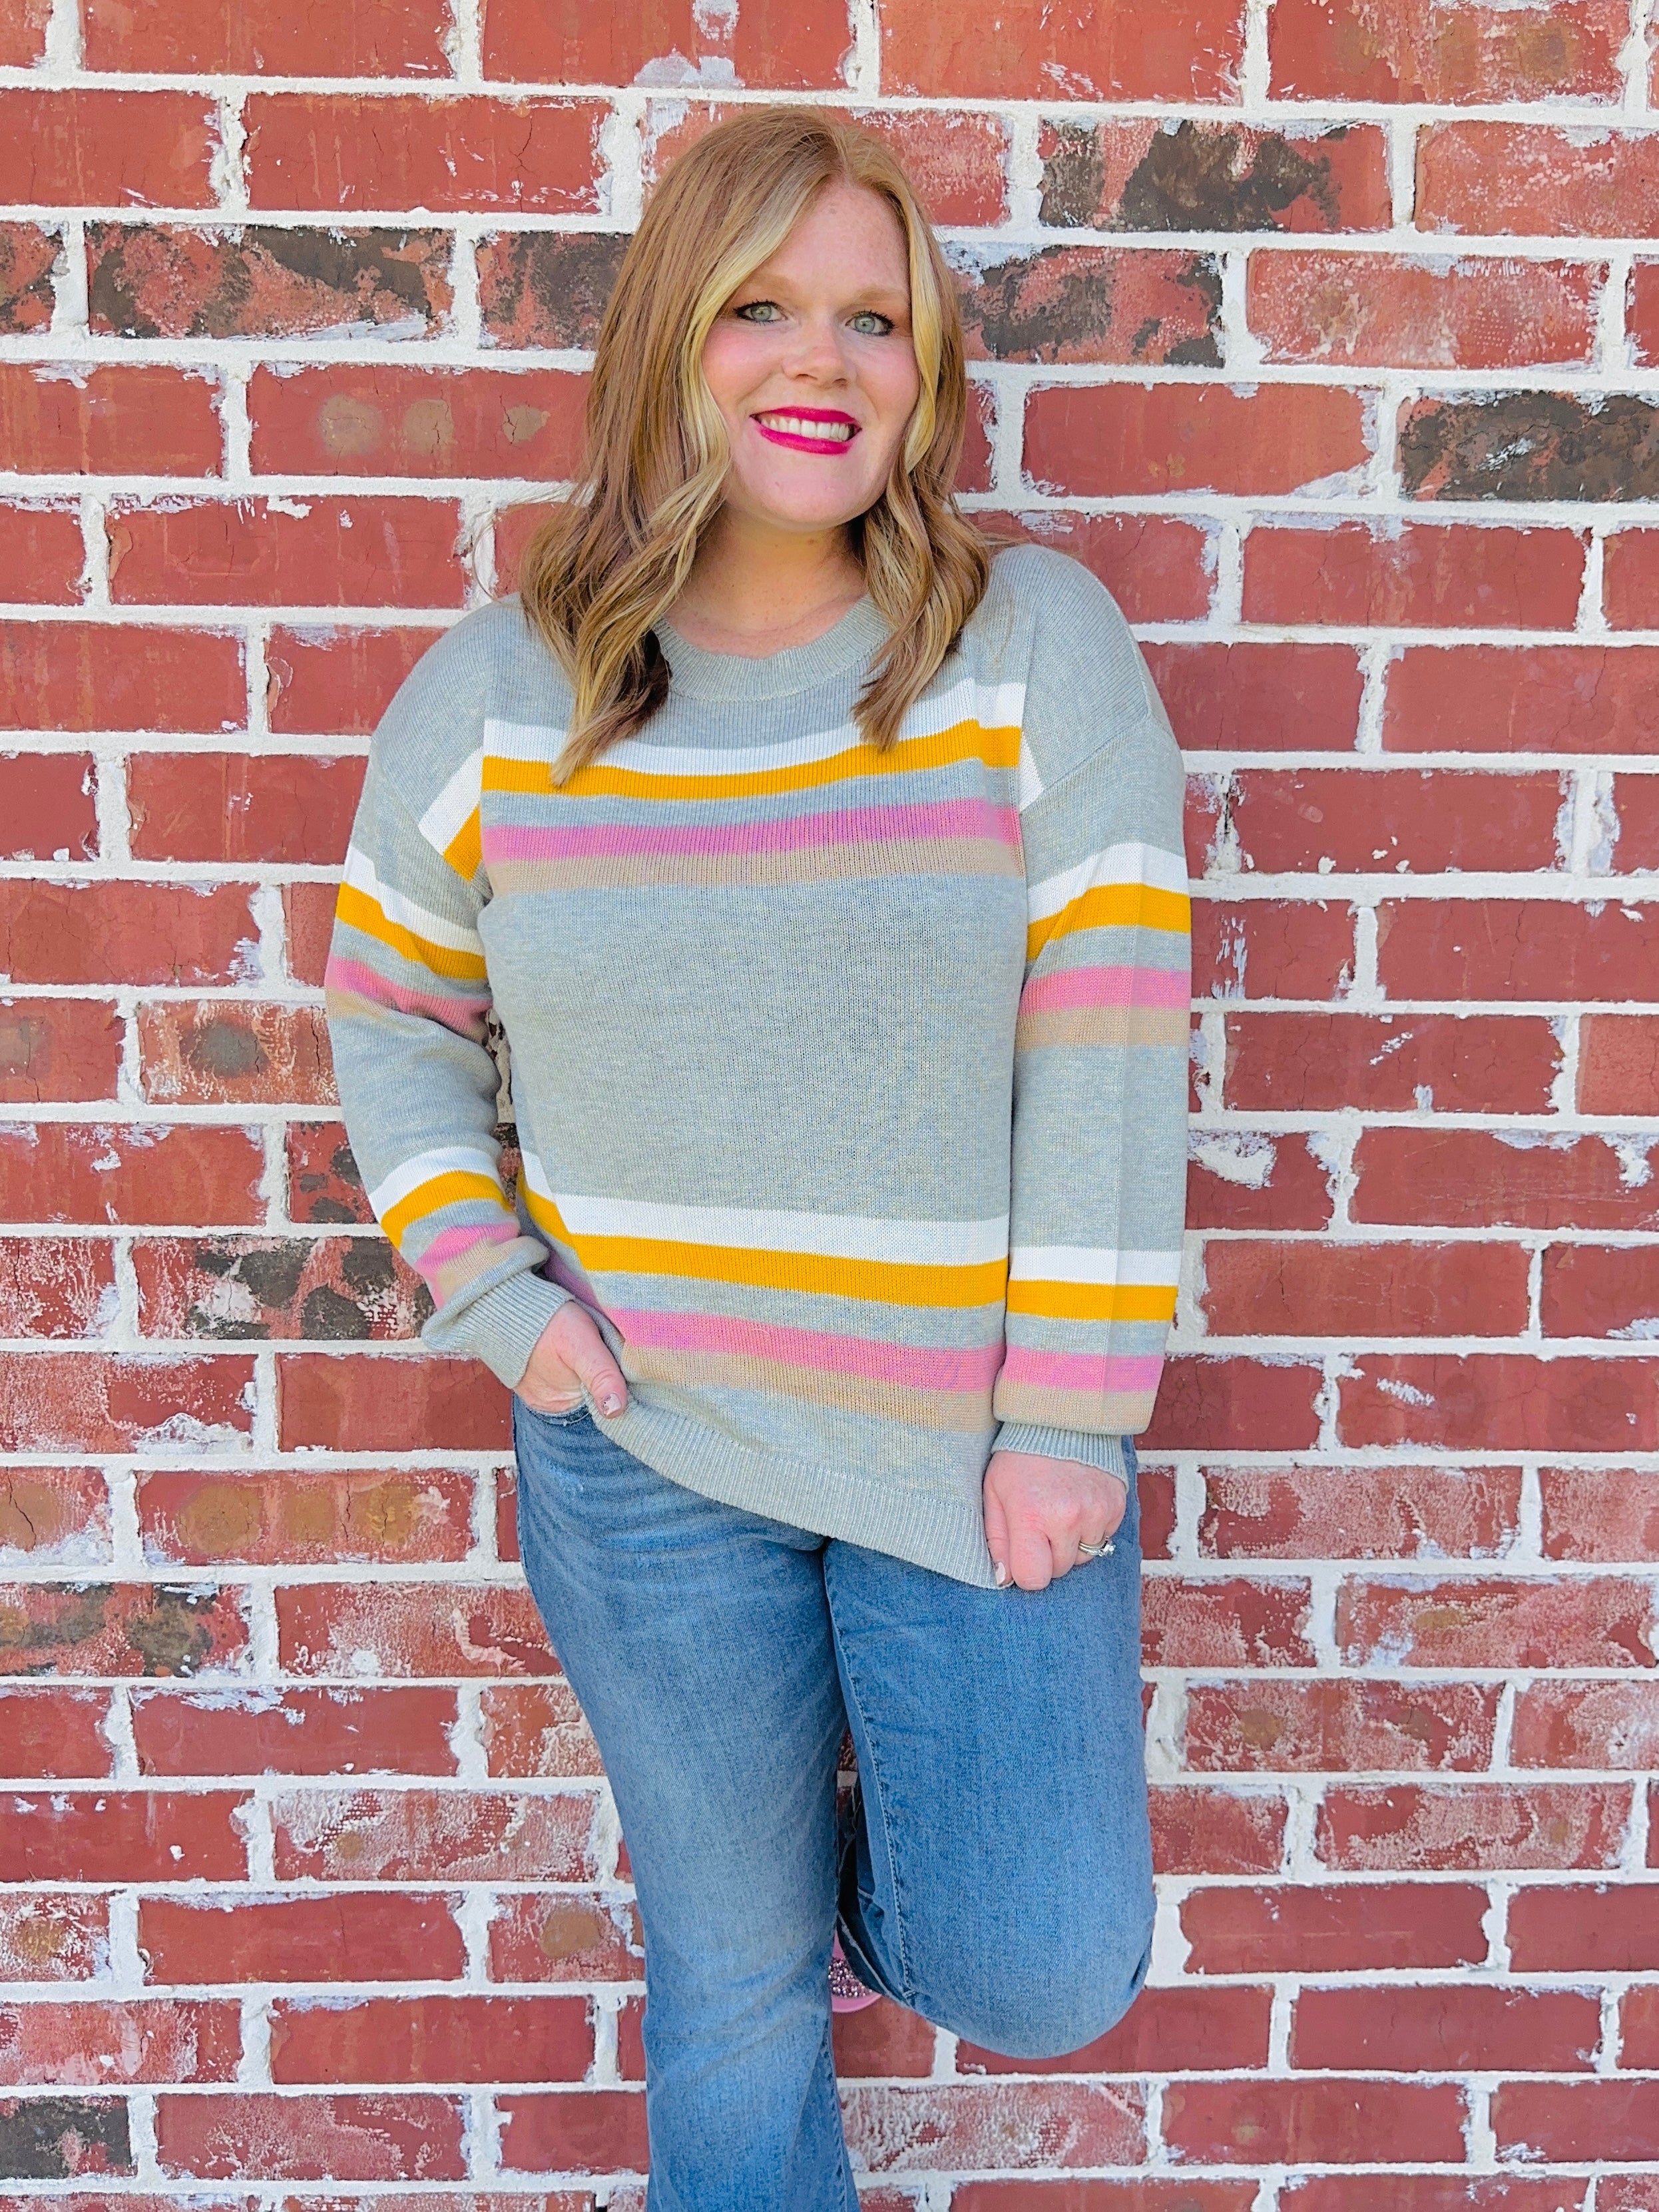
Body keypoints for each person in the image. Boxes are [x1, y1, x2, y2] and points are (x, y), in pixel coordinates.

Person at [326, 105, 1190, 2212]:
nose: (823, 360)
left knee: (1040, 1952)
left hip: (961, 1445)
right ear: (670, 344)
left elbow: (1106, 1031)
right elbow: (391, 1011)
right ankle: (764, 1928)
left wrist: (1068, 1413)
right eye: (761, 310)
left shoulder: (1024, 647)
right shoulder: (502, 694)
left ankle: (830, 1887)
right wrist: (498, 1301)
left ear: (925, 370)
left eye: (873, 320)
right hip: (644, 1443)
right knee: (726, 1982)